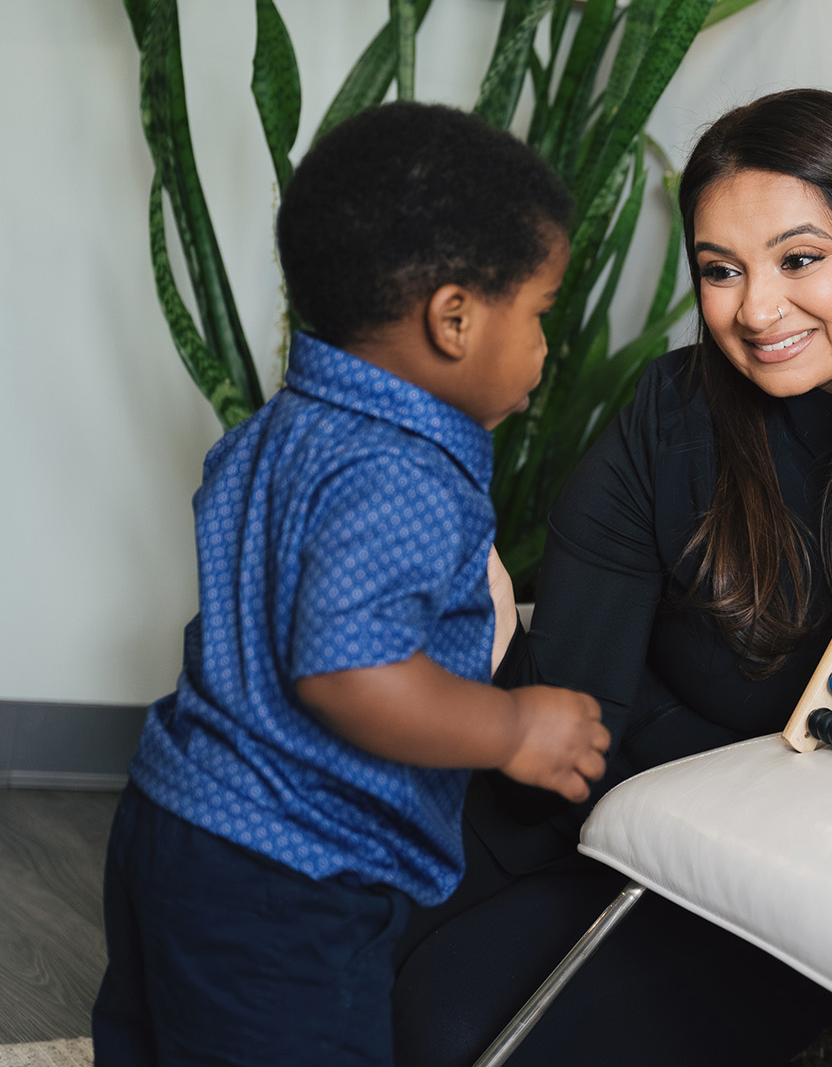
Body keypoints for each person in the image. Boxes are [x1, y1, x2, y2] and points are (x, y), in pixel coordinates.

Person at [392, 89, 832, 1066]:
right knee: (304, 955)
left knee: (454, 1028)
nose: (757, 310)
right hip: (606, 808)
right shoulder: (668, 411)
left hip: (790, 884)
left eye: (800, 258)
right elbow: (572, 710)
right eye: (721, 270)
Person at [91, 103, 614, 1067]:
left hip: (176, 817)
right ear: (453, 319)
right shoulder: (399, 472)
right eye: (540, 316)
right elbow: (347, 673)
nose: (548, 347)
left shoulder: (283, 428)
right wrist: (512, 729)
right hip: (288, 876)